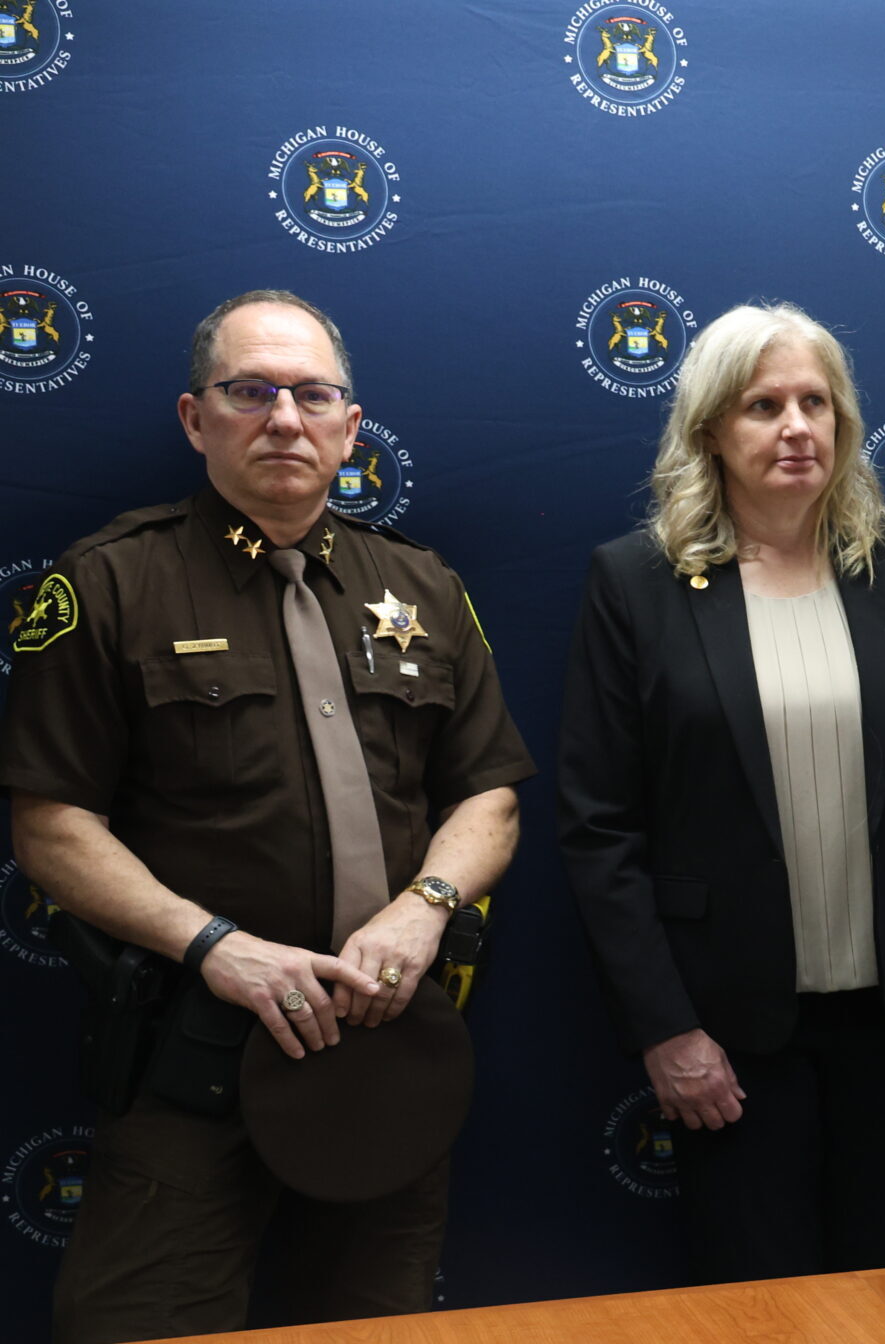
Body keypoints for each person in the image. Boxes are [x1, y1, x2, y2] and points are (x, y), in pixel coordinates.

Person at [0, 290, 534, 1342]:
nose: (284, 417)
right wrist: (217, 948)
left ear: (349, 424)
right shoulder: (110, 584)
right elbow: (50, 823)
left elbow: (491, 797)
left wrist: (423, 908)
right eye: (250, 391)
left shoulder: (424, 588)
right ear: (198, 419)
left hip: (390, 1059)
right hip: (192, 1060)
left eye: (312, 394)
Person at [557, 301, 885, 1282]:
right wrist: (667, 1030)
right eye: (763, 405)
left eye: (816, 401)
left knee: (880, 1286)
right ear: (711, 431)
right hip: (727, 1031)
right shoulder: (635, 584)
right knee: (754, 1295)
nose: (796, 427)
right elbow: (601, 830)